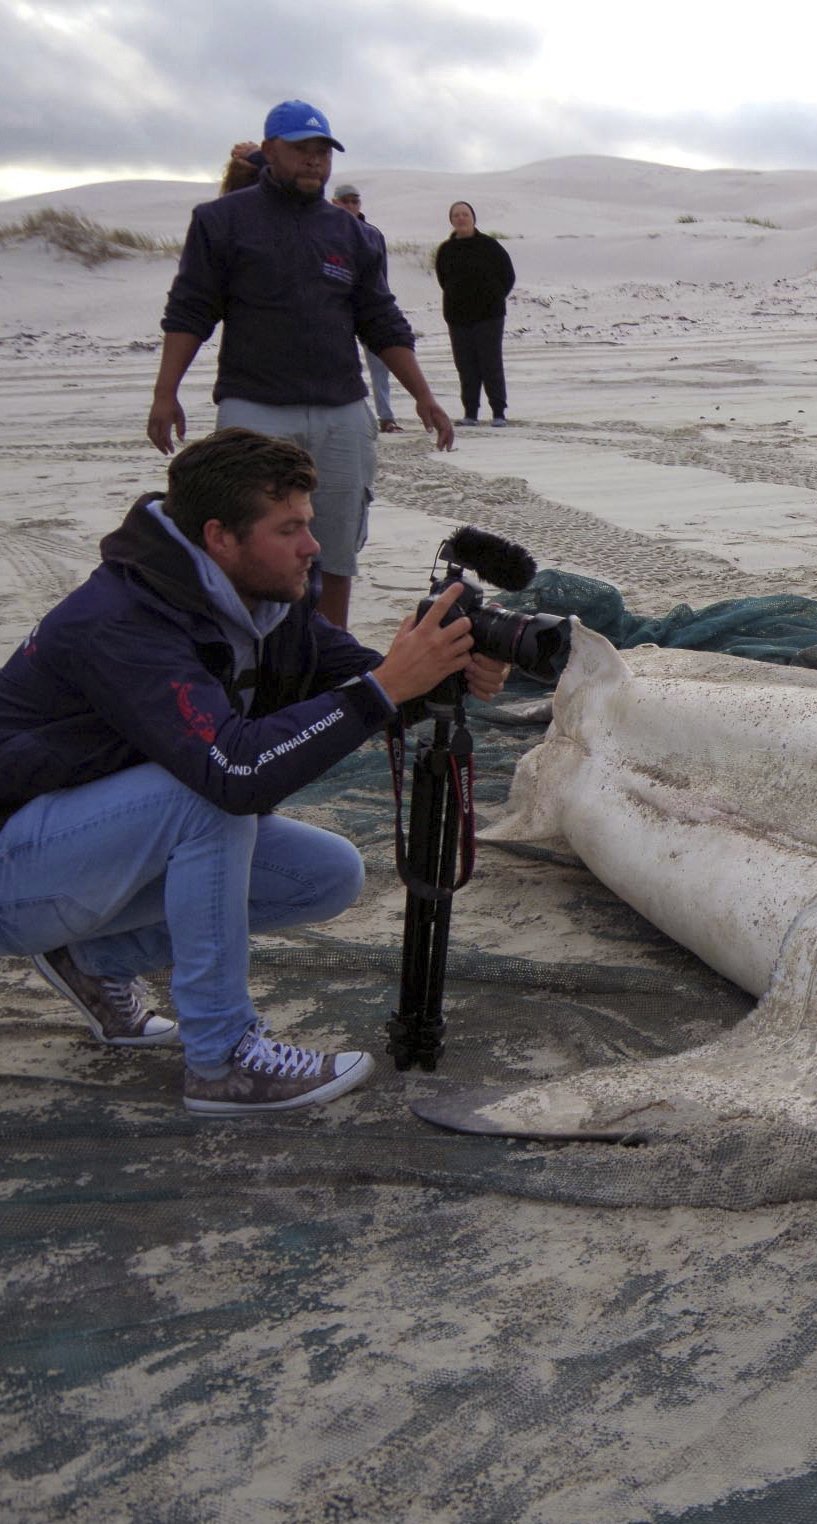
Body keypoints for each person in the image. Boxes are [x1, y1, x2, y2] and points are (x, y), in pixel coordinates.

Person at [0, 429, 507, 1114]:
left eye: (309, 524)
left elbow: (352, 680)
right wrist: (385, 688)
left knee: (325, 874)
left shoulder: (263, 599)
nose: (313, 546)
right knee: (209, 797)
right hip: (15, 867)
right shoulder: (120, 621)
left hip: (86, 848)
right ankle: (223, 1062)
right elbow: (236, 772)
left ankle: (91, 959)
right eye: (289, 529)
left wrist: (435, 671)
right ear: (219, 537)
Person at [151, 100, 455, 631]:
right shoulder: (221, 221)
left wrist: (423, 396)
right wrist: (165, 393)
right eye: (301, 149)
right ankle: (252, 658)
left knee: (334, 552)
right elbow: (191, 310)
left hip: (342, 414)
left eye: (323, 151)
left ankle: (329, 658)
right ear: (270, 151)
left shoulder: (354, 234)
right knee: (250, 550)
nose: (314, 160)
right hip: (255, 411)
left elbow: (381, 321)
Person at [434, 201, 518, 428]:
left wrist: (495, 298)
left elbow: (508, 275)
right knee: (465, 365)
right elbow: (443, 279)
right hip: (458, 317)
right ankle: (470, 413)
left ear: (473, 218)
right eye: (456, 215)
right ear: (451, 220)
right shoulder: (446, 250)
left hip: (489, 316)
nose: (461, 218)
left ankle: (498, 412)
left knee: (490, 363)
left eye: (465, 214)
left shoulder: (489, 245)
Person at [331, 184, 403, 434]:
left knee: (379, 363)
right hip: (336, 308)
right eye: (345, 201)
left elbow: (381, 274)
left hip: (369, 307)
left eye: (355, 201)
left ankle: (386, 416)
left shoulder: (372, 234)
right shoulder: (325, 231)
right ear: (335, 202)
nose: (350, 205)